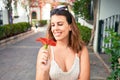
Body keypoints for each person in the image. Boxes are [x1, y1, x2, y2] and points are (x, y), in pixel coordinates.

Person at [36, 6, 90, 80]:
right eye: (53, 25)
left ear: (70, 27)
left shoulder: (81, 50)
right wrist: (44, 70)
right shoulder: (45, 51)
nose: (55, 28)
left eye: (60, 24)